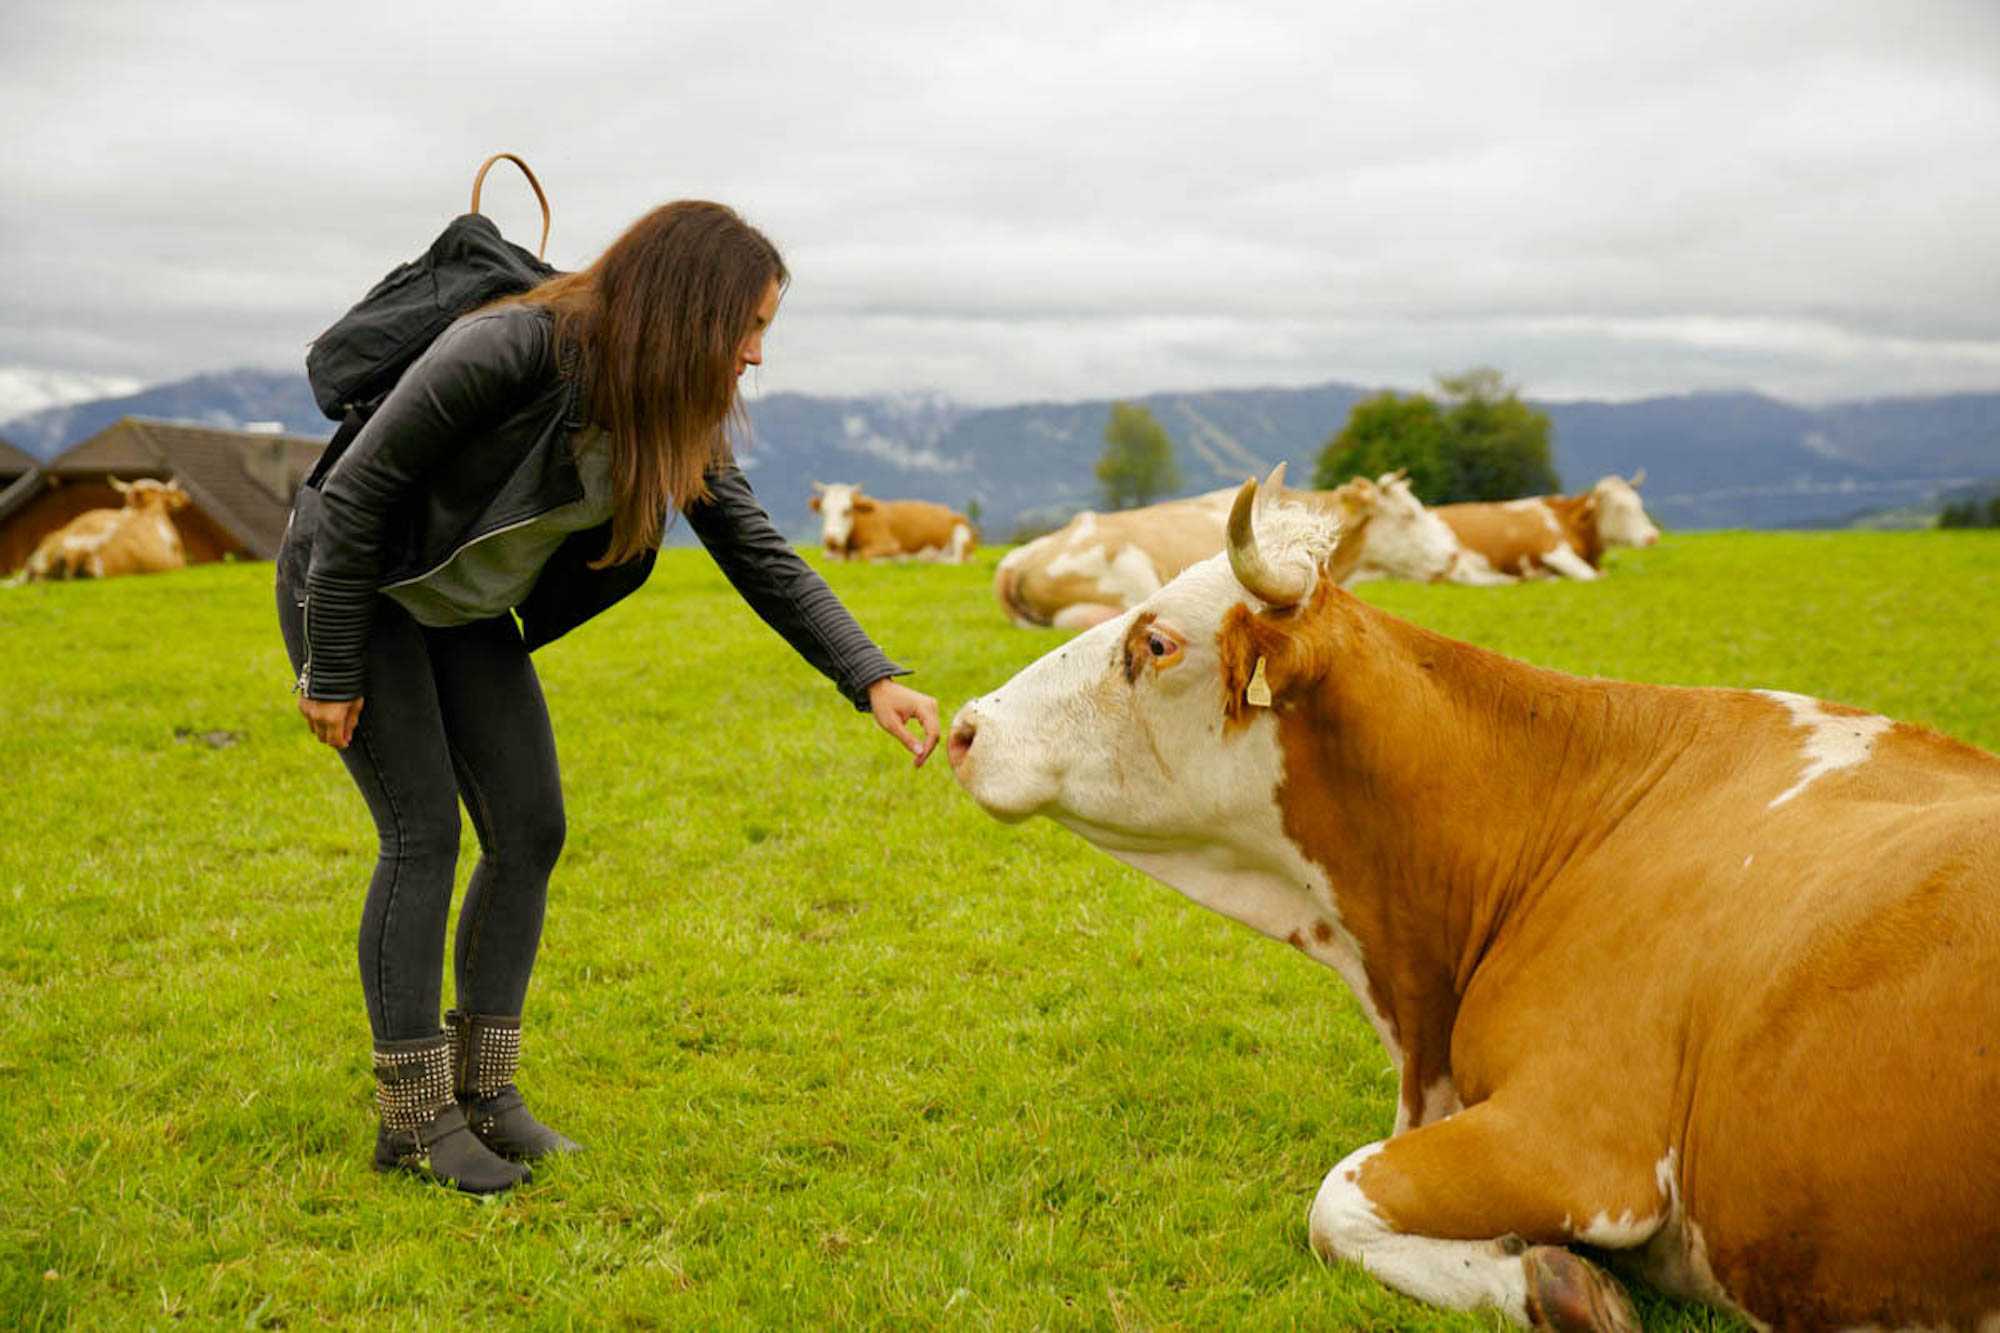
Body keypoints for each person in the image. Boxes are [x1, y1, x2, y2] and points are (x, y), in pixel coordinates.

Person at [275, 200, 939, 1195]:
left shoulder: (667, 408)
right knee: (424, 837)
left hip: (459, 612)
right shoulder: (508, 349)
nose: (756, 354)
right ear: (690, 311)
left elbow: (757, 552)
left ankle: (486, 1096)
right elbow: (356, 496)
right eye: (748, 326)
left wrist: (871, 674)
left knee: (529, 829)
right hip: (358, 588)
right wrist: (329, 667)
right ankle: (413, 1118)